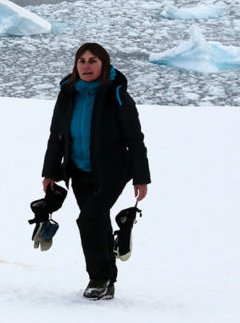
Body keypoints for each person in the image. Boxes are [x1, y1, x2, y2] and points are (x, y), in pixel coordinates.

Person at [41, 42, 151, 301]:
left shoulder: (117, 95)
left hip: (111, 172)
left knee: (88, 221)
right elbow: (56, 136)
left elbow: (135, 139)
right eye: (82, 61)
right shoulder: (67, 94)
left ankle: (98, 278)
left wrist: (141, 177)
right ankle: (108, 279)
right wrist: (50, 172)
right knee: (98, 222)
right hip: (79, 170)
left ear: (104, 64)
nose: (86, 66)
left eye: (93, 61)